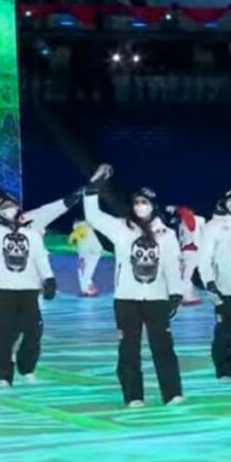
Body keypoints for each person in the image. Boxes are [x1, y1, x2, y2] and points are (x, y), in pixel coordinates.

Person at [83, 165, 186, 408]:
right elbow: (94, 217)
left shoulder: (167, 234)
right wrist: (92, 190)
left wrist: (176, 293)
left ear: (153, 205)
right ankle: (133, 395)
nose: (140, 206)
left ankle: (172, 393)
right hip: (126, 299)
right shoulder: (121, 228)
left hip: (157, 298)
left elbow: (172, 266)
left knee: (164, 348)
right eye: (137, 202)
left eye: (145, 202)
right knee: (128, 349)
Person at [0, 166, 56, 387]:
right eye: (5, 207)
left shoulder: (31, 234)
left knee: (34, 332)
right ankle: (4, 374)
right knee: (2, 336)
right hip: (2, 290)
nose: (10, 210)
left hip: (29, 290)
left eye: (13, 206)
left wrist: (49, 279)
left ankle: (27, 367)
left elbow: (41, 258)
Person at [198, 186, 231, 382]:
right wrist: (209, 282)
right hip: (224, 289)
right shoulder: (214, 225)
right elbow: (205, 256)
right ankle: (224, 370)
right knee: (223, 333)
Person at [172, 205, 206, 306]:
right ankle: (187, 296)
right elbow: (182, 238)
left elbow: (204, 234)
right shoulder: (182, 223)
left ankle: (187, 295)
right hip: (188, 251)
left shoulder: (199, 220)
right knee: (186, 275)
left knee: (188, 275)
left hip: (196, 250)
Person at [68, 220, 103, 297]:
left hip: (90, 250)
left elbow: (72, 241)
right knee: (86, 268)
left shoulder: (82, 227)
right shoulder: (84, 227)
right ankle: (87, 287)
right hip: (90, 250)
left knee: (85, 269)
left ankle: (87, 287)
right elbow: (72, 240)